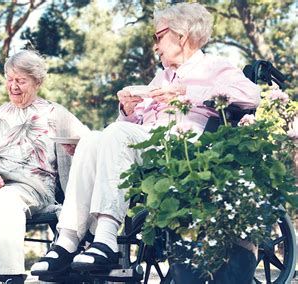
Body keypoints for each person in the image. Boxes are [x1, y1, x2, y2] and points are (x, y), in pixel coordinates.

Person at [31, 2, 261, 280]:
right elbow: (126, 132)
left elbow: (251, 95)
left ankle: (105, 239)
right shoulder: (161, 77)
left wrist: (188, 91)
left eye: (158, 36)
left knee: (111, 135)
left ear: (181, 35)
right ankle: (67, 241)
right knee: (92, 138)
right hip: (147, 147)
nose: (155, 45)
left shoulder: (215, 66)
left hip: (183, 148)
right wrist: (128, 111)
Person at [0, 50, 89, 284]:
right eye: (10, 79)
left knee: (4, 199)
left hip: (33, 187)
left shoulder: (55, 113)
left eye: (21, 80)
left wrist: (77, 151)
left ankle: (7, 278)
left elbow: (88, 143)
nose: (14, 86)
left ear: (37, 82)